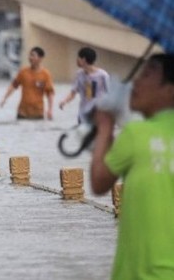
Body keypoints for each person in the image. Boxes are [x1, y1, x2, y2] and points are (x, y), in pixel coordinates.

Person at [90, 54, 174, 279]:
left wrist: (105, 126)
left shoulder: (137, 134)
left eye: (148, 74)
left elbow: (99, 181)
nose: (136, 81)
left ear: (170, 90)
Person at [0, 46, 55, 120]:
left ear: (40, 58)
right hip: (22, 113)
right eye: (30, 55)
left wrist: (50, 109)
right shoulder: (23, 72)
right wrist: (5, 98)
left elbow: (50, 93)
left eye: (33, 55)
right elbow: (13, 86)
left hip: (38, 113)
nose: (30, 57)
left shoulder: (45, 75)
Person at [59, 47, 110, 123]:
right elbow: (73, 92)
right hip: (83, 115)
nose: (76, 60)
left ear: (83, 59)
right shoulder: (79, 74)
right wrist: (64, 101)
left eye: (78, 57)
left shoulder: (103, 75)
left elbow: (110, 94)